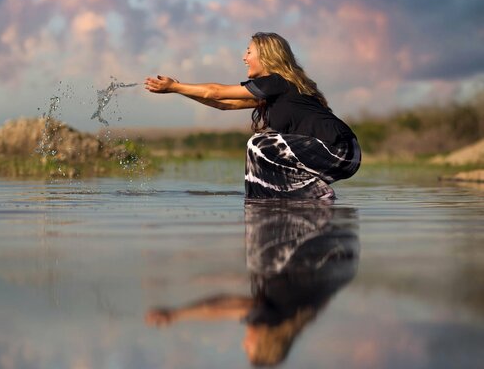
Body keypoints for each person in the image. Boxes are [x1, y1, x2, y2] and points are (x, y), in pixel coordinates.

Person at [145, 32, 361, 199]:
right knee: (260, 153)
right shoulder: (276, 90)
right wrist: (177, 90)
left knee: (258, 144)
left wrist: (176, 86)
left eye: (249, 52)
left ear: (266, 56)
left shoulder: (275, 81)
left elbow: (216, 91)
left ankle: (316, 194)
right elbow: (223, 104)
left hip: (339, 150)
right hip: (344, 155)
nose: (244, 58)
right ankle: (278, 199)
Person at [146, 200, 360, 366]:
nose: (244, 343)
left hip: (343, 245)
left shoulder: (299, 313)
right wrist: (176, 315)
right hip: (317, 243)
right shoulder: (273, 318)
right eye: (249, 348)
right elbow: (220, 307)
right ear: (265, 343)